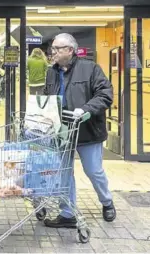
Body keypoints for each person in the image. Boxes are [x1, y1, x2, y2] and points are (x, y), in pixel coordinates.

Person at [43, 33, 116, 228]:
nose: (53, 52)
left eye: (58, 48)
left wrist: (85, 109)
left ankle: (107, 201)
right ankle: (67, 214)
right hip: (62, 132)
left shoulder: (90, 68)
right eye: (53, 48)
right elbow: (47, 97)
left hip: (87, 131)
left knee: (93, 171)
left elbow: (105, 94)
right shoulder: (51, 72)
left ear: (70, 50)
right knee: (64, 173)